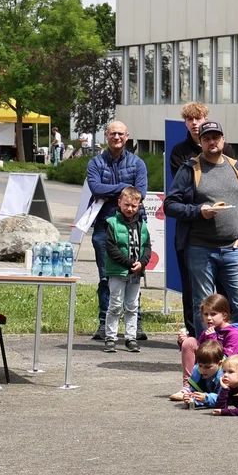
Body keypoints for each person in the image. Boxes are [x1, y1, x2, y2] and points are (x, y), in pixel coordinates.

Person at [165, 119, 238, 336]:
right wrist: (199, 211)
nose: (212, 142)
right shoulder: (190, 169)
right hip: (200, 249)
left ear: (223, 140)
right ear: (200, 142)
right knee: (204, 306)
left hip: (233, 248)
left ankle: (237, 346)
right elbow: (170, 204)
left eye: (216, 137)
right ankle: (208, 352)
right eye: (206, 138)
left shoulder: (237, 168)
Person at [85, 121, 149, 344]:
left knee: (133, 276)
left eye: (120, 134)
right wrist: (124, 190)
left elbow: (140, 193)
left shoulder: (137, 163)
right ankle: (104, 324)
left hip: (133, 226)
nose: (117, 137)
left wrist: (117, 194)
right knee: (106, 277)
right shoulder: (95, 162)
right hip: (104, 226)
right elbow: (95, 188)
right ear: (106, 136)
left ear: (127, 136)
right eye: (113, 133)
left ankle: (135, 324)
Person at [98, 185, 149, 353]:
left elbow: (147, 247)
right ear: (119, 203)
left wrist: (142, 263)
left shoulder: (142, 225)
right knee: (115, 305)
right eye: (126, 205)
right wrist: (128, 263)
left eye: (134, 206)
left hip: (135, 274)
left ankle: (130, 337)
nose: (130, 209)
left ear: (139, 205)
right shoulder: (111, 223)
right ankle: (110, 337)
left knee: (132, 306)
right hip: (117, 272)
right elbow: (111, 249)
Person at [179, 292, 238, 374]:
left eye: (213, 314)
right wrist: (184, 342)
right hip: (210, 370)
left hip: (229, 373)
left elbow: (225, 360)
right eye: (205, 314)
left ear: (224, 315)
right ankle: (189, 384)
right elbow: (200, 353)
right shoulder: (209, 331)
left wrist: (212, 339)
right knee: (190, 342)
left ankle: (203, 383)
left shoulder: (234, 334)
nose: (208, 318)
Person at [169, 339, 229, 409]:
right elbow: (195, 390)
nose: (203, 370)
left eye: (208, 367)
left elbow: (223, 399)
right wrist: (191, 398)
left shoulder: (224, 376)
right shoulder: (197, 371)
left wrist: (206, 398)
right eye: (200, 365)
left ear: (219, 364)